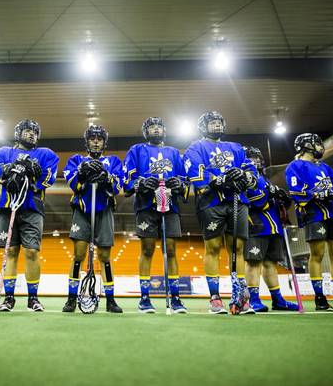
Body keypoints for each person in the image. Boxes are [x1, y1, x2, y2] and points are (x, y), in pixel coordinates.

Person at [183, 111, 257, 314]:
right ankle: (215, 298)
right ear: (202, 127)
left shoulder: (235, 147)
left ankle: (240, 297)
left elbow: (251, 171)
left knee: (238, 248)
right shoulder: (195, 147)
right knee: (213, 246)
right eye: (211, 123)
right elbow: (196, 174)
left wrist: (244, 175)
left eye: (218, 122)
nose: (216, 126)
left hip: (237, 200)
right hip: (211, 202)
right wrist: (221, 179)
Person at [285, 133, 333, 311]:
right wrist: (320, 194)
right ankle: (320, 298)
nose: (320, 147)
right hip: (313, 214)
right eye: (317, 144)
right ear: (306, 146)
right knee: (317, 254)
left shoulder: (326, 167)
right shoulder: (295, 166)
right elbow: (296, 192)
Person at [0, 119, 59, 312]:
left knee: (31, 252)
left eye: (35, 132)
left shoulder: (46, 154)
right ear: (18, 133)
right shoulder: (3, 153)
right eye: (27, 131)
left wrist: (34, 174)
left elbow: (50, 177)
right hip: (8, 207)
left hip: (33, 207)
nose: (31, 134)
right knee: (10, 252)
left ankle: (33, 298)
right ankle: (9, 298)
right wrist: (12, 167)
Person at [123, 117, 189, 313]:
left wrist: (180, 185)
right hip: (146, 206)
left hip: (170, 206)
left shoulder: (174, 153)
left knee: (171, 248)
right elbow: (128, 180)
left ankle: (176, 298)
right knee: (147, 249)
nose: (156, 129)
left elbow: (184, 181)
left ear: (164, 130)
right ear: (145, 131)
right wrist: (139, 184)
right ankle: (144, 298)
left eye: (159, 126)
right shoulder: (136, 150)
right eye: (152, 127)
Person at [62, 125, 123, 313]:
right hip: (82, 212)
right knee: (79, 255)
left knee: (105, 257)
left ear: (104, 142)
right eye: (92, 138)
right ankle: (71, 298)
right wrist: (82, 172)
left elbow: (117, 187)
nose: (96, 141)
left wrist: (106, 178)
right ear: (87, 141)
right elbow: (73, 183)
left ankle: (110, 300)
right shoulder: (76, 160)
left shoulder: (113, 161)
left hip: (104, 211)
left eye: (99, 138)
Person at [243, 146, 299, 312]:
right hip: (255, 225)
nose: (255, 161)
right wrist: (270, 194)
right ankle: (253, 299)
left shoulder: (265, 178)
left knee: (270, 263)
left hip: (273, 227)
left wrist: (282, 200)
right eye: (250, 158)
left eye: (257, 158)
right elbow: (254, 200)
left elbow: (273, 201)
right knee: (253, 262)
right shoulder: (245, 178)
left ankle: (278, 299)